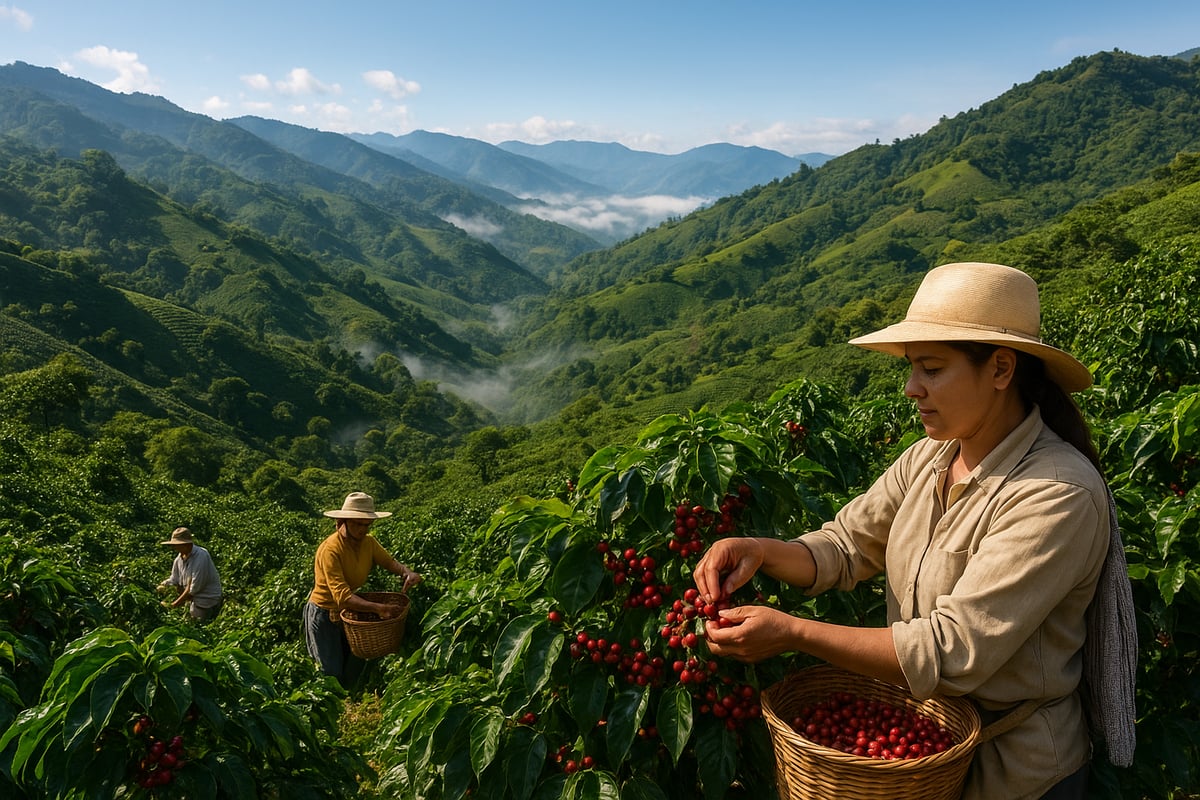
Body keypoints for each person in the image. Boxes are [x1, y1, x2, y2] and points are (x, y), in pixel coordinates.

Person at [695, 262, 1114, 800]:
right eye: (912, 368)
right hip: (923, 754)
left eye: (932, 369)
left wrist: (793, 633)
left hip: (1018, 775)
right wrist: (757, 550)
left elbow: (951, 650)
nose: (912, 389)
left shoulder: (1055, 493)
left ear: (1002, 369)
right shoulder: (929, 458)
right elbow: (845, 547)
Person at [303, 491, 422, 686]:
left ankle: (352, 706)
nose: (363, 529)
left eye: (367, 525)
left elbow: (390, 563)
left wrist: (407, 572)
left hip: (349, 611)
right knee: (329, 673)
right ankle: (330, 711)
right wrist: (379, 608)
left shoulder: (369, 543)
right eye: (358, 524)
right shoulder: (331, 550)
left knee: (353, 665)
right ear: (344, 521)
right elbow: (342, 597)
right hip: (323, 613)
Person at [157, 527, 224, 622]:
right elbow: (174, 578)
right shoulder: (179, 559)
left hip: (205, 600)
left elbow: (194, 588)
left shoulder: (201, 556)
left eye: (178, 545)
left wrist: (173, 605)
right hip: (190, 598)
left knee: (194, 624)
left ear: (187, 544)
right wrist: (164, 585)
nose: (175, 548)